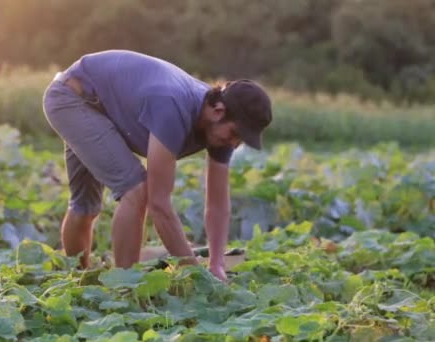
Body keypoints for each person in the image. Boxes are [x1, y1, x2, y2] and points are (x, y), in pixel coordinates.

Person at [42, 50, 272, 281]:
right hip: (72, 99)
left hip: (98, 104)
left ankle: (79, 282)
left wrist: (216, 264)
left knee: (86, 206)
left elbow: (218, 205)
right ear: (218, 111)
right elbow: (159, 204)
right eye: (234, 133)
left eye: (241, 139)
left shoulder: (218, 127)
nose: (234, 143)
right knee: (136, 189)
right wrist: (195, 274)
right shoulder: (173, 108)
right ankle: (125, 288)